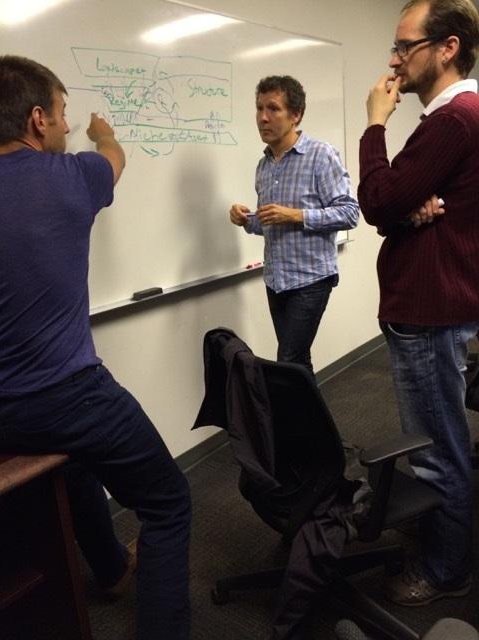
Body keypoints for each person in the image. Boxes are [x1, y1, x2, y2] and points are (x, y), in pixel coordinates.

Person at [0, 55, 191, 639]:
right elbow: (115, 156)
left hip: (4, 414)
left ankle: (109, 567)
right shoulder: (72, 175)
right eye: (59, 114)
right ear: (38, 120)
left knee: (77, 466)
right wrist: (104, 131)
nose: (63, 126)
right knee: (168, 502)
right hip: (71, 396)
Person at [358, 0, 479, 607]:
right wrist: (408, 210)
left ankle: (445, 569)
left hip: (430, 311)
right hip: (444, 304)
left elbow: (376, 199)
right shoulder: (465, 116)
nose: (395, 58)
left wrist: (375, 123)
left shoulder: (452, 120)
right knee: (440, 439)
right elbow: (400, 204)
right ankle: (442, 539)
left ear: (448, 46)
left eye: (405, 46)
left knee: (437, 451)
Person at [230, 75, 359, 378]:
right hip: (276, 280)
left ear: (296, 115)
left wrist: (296, 215)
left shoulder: (320, 155)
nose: (263, 117)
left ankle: (293, 425)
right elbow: (270, 225)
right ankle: (312, 425)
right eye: (259, 108)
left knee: (288, 360)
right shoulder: (264, 166)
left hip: (312, 280)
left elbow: (350, 213)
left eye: (273, 109)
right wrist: (246, 220)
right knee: (298, 362)